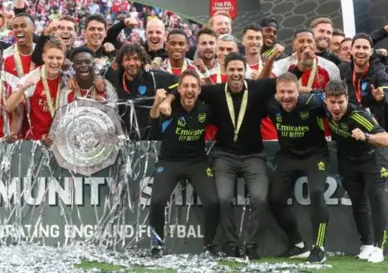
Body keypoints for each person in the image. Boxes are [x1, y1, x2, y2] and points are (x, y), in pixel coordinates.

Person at [159, 48, 284, 259]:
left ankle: (252, 245)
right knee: (224, 198)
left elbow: (285, 82)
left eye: (239, 70)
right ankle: (232, 245)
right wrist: (167, 99)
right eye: (232, 69)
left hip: (254, 156)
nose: (236, 74)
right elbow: (180, 86)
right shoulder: (215, 91)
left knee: (260, 198)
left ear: (246, 71)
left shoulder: (257, 88)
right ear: (225, 70)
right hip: (224, 156)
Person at [148, 70, 219, 257]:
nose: (189, 90)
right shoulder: (169, 107)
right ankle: (157, 245)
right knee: (156, 201)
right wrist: (160, 101)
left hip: (197, 162)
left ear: (199, 90)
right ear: (179, 89)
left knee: (213, 201)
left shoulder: (206, 108)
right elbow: (154, 118)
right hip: (169, 162)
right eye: (185, 86)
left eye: (193, 86)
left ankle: (209, 245)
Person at [265, 73, 330, 263]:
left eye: (291, 92)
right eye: (282, 92)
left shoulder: (313, 102)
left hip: (315, 155)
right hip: (288, 156)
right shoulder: (270, 105)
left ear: (298, 91)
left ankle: (319, 247)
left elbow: (333, 103)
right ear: (276, 92)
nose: (286, 96)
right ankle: (298, 244)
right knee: (275, 199)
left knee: (317, 192)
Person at [323, 79, 388, 263]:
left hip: (372, 160)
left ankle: (379, 247)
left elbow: (385, 137)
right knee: (358, 204)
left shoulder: (358, 115)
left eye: (340, 102)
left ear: (347, 99)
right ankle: (367, 243)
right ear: (325, 100)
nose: (336, 107)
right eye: (332, 102)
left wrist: (366, 136)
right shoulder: (322, 109)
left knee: (377, 202)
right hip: (348, 162)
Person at [106, 43, 178, 140]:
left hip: (150, 141)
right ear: (121, 62)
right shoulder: (114, 77)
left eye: (136, 59)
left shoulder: (153, 77)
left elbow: (181, 83)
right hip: (124, 142)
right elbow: (94, 75)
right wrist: (97, 77)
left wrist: (168, 100)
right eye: (127, 59)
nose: (132, 63)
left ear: (142, 61)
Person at [5, 38, 66, 145]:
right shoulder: (33, 77)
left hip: (60, 141)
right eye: (50, 57)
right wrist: (23, 88)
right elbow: (9, 106)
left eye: (59, 58)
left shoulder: (67, 79)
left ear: (64, 59)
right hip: (36, 141)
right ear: (43, 57)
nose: (55, 62)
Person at [337, 34, 388, 128]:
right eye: (357, 47)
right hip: (349, 126)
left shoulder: (379, 73)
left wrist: (382, 96)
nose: (361, 51)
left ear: (371, 51)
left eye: (365, 48)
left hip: (374, 127)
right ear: (351, 50)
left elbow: (386, 89)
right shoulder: (341, 70)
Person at [3, 13, 37, 79]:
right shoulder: (4, 57)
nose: (19, 29)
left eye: (23, 26)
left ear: (33, 28)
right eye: (15, 27)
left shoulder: (43, 54)